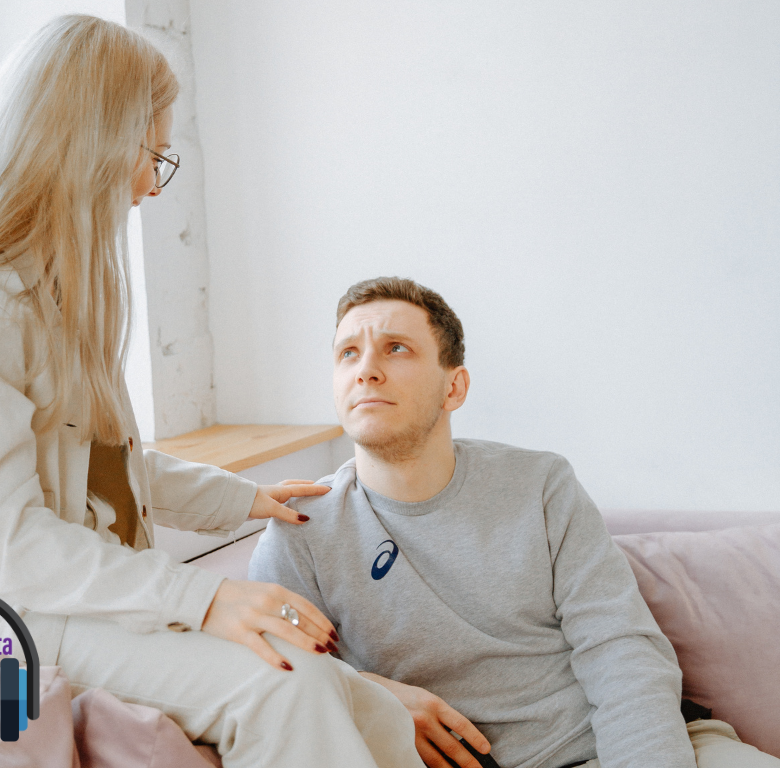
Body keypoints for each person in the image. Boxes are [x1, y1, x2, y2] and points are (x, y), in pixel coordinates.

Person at [0, 17, 427, 768]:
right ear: (89, 146)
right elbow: (10, 540)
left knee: (357, 694)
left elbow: (94, 467)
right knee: (285, 684)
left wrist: (243, 499)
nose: (153, 180)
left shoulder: (46, 294)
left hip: (46, 597)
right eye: (153, 154)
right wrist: (200, 600)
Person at [249, 276, 780, 768]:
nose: (365, 369)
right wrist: (366, 693)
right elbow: (267, 677)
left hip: (628, 745)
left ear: (453, 388)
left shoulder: (540, 484)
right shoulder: (301, 525)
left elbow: (620, 648)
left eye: (396, 348)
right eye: (348, 353)